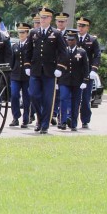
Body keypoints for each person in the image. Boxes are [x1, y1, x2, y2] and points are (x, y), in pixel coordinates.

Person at [23, 7, 68, 135]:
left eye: (45, 18)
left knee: (48, 99)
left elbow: (63, 53)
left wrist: (60, 67)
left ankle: (44, 125)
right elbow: (28, 51)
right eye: (41, 17)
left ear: (50, 19)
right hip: (36, 70)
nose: (42, 20)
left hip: (50, 71)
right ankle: (39, 117)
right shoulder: (34, 33)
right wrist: (27, 65)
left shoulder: (56, 34)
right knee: (33, 94)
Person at [57, 29, 90, 131]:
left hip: (77, 81)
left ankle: (73, 123)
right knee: (63, 98)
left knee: (75, 102)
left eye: (72, 40)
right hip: (64, 80)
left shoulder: (82, 52)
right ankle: (62, 121)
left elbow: (85, 68)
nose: (69, 41)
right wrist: (57, 81)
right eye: (68, 40)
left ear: (76, 40)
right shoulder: (63, 51)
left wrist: (85, 81)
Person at [76, 15, 102, 129]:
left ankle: (85, 120)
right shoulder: (72, 38)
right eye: (79, 25)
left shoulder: (92, 40)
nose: (80, 28)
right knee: (73, 97)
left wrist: (94, 69)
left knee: (86, 98)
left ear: (87, 27)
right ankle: (70, 118)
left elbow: (97, 55)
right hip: (74, 72)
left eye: (83, 26)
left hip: (87, 73)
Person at [9, 22, 32, 128]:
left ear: (27, 33)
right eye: (19, 32)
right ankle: (15, 117)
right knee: (14, 95)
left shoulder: (31, 45)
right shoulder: (15, 46)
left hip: (27, 76)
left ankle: (26, 118)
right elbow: (12, 62)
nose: (21, 34)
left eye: (23, 32)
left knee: (27, 97)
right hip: (16, 74)